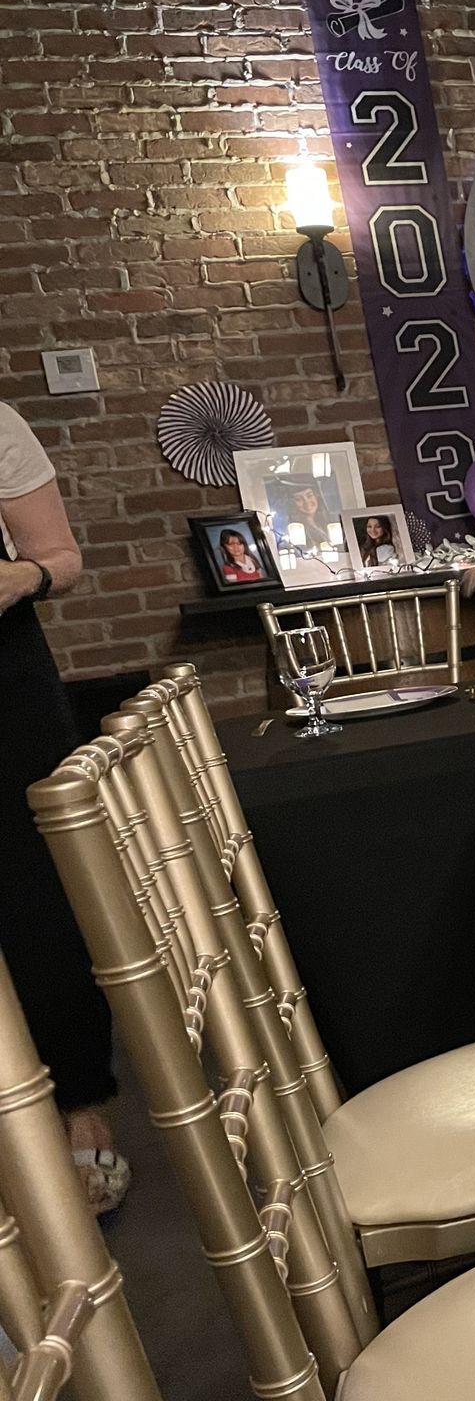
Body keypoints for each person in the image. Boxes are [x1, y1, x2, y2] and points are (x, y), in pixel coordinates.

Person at [0, 402, 126, 1215]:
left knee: (37, 895)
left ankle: (80, 1105)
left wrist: (23, 576)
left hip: (4, 675)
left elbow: (61, 559)